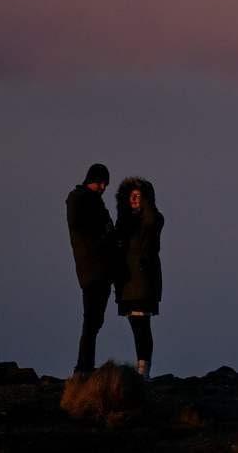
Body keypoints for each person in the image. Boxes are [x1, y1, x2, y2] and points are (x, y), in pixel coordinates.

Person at [65, 162, 114, 375]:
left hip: (97, 270)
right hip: (93, 270)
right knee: (92, 321)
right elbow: (83, 228)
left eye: (105, 184)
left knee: (94, 321)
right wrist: (104, 236)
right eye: (100, 182)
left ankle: (84, 366)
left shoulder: (90, 201)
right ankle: (83, 367)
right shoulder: (80, 199)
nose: (103, 187)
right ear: (91, 180)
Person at [113, 177, 164, 378]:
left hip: (144, 280)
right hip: (126, 282)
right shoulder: (123, 221)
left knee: (142, 326)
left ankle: (143, 369)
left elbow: (152, 222)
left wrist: (147, 202)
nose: (134, 200)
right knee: (136, 326)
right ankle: (141, 368)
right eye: (131, 196)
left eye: (138, 196)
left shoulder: (153, 219)